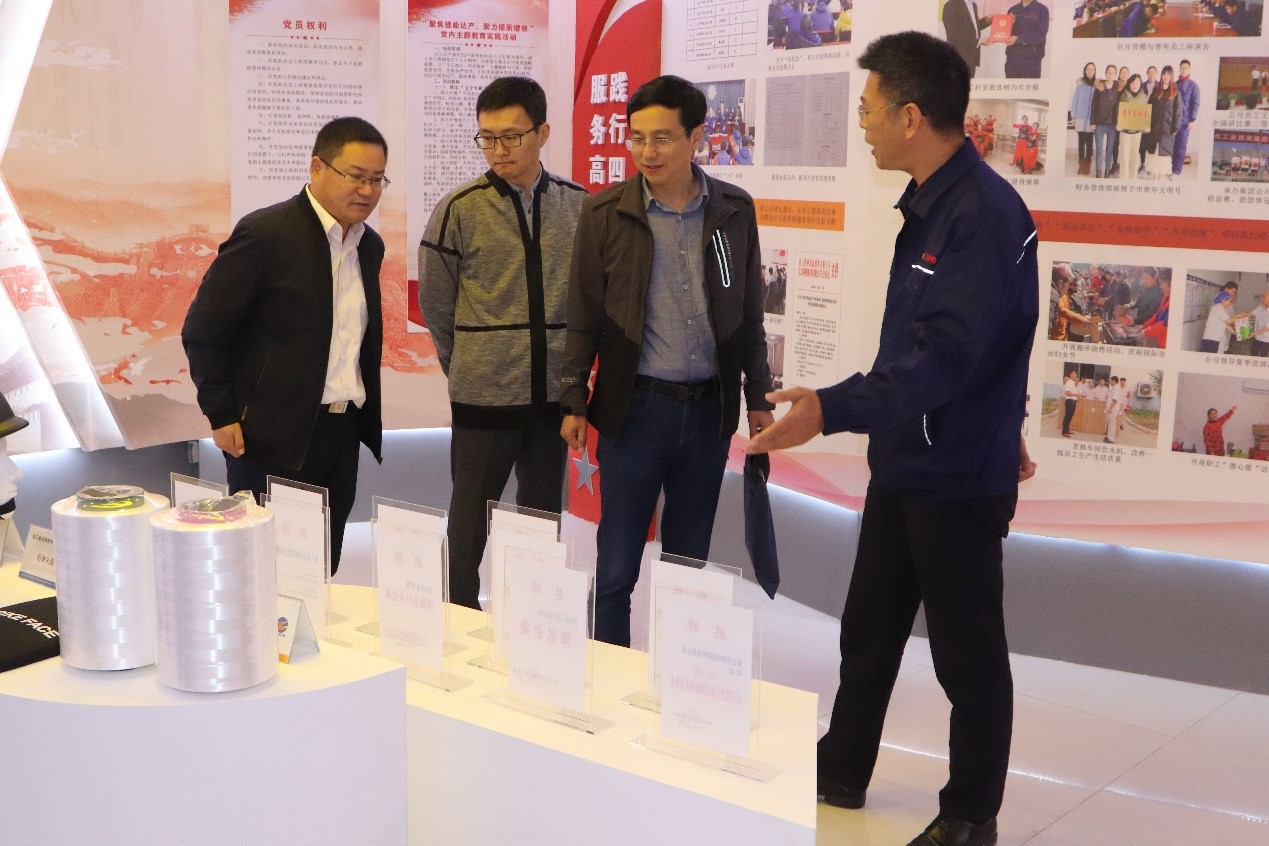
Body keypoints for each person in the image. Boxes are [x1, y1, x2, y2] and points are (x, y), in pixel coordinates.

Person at [749, 32, 1038, 846]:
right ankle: (840, 768)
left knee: (966, 657)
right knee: (868, 629)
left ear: (910, 117)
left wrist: (829, 409)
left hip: (957, 475)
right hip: (905, 461)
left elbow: (945, 358)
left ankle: (970, 816)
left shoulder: (982, 215)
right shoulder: (929, 201)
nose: (862, 123)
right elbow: (955, 346)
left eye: (869, 109)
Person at [559, 75, 775, 648]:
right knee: (616, 567)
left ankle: (679, 679)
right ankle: (609, 673)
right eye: (637, 138)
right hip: (636, 411)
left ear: (696, 137)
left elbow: (748, 313)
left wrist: (758, 396)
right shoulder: (606, 212)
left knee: (687, 567)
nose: (646, 152)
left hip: (708, 413)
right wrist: (573, 398)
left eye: (661, 138)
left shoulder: (733, 210)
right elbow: (582, 314)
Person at [182, 117, 387, 575]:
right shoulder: (266, 233)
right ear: (317, 167)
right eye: (356, 176)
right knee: (264, 571)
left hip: (341, 432)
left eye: (377, 180)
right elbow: (203, 331)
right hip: (270, 436)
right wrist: (221, 413)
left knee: (321, 569)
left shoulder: (367, 246)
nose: (367, 190)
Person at [419, 77, 586, 609]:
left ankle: (535, 620)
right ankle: (457, 618)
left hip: (552, 399)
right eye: (488, 138)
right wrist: (468, 363)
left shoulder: (579, 205)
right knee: (468, 522)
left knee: (541, 519)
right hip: (482, 396)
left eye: (511, 136)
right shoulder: (459, 208)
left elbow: (590, 301)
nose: (499, 150)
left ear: (543, 133)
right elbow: (435, 304)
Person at [1144, 65, 1182, 180]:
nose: (1166, 77)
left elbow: (1178, 112)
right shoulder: (1156, 90)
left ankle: (1160, 176)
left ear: (1171, 76)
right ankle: (1154, 175)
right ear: (1161, 76)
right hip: (1155, 128)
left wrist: (1175, 128)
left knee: (1163, 153)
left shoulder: (1175, 92)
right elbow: (1149, 108)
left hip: (1167, 130)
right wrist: (1146, 124)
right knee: (1154, 152)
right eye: (1164, 74)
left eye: (1168, 74)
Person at [942, 0, 989, 78]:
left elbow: (973, 28)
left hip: (972, 57)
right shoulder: (951, 5)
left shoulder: (973, 5)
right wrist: (979, 41)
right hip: (958, 59)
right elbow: (954, 35)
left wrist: (987, 21)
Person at [1003, 0, 1049, 79]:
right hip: (1012, 59)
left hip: (1031, 61)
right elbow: (1006, 33)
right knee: (1011, 87)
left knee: (1029, 87)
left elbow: (1040, 35)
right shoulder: (1013, 9)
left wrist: (1018, 38)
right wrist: (1010, 24)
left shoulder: (1042, 10)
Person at [1117, 74, 1148, 181]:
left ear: (1140, 84)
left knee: (1134, 156)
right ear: (1129, 84)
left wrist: (1146, 126)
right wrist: (1118, 123)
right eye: (1133, 83)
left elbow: (1145, 113)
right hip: (1125, 131)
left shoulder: (1143, 97)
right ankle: (1123, 178)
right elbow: (1118, 110)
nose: (1135, 85)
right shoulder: (1123, 95)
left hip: (1137, 132)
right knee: (1124, 156)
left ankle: (1133, 178)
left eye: (1137, 83)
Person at [1092, 64, 1120, 178]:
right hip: (1099, 123)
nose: (1110, 74)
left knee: (1109, 150)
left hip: (1113, 124)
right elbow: (1094, 105)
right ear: (1105, 73)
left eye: (1113, 72)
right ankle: (1098, 171)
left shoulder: (1118, 88)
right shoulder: (1099, 86)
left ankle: (1107, 171)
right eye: (1108, 72)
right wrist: (1092, 122)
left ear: (1115, 75)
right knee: (1099, 150)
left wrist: (1119, 122)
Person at [1173, 59, 1199, 179]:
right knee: (1172, 145)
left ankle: (1177, 171)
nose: (1183, 70)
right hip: (1173, 121)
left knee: (1181, 146)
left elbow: (1195, 103)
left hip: (1185, 122)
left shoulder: (1193, 85)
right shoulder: (1174, 84)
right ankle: (1170, 167)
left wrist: (1192, 120)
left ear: (1189, 70)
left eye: (1186, 68)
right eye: (1182, 68)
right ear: (1179, 69)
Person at [1071, 62, 1098, 176]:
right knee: (1081, 142)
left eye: (1092, 69)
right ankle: (1081, 166)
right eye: (1088, 69)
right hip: (1080, 118)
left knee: (1089, 143)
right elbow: (1075, 100)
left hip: (1091, 119)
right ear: (1085, 71)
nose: (1090, 71)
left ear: (1095, 71)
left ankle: (1087, 166)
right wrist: (1073, 117)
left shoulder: (1097, 85)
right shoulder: (1080, 84)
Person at [1140, 277, 1171, 347]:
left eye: (1162, 284)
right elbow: (1157, 315)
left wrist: (1146, 331)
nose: (1161, 287)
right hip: (1160, 339)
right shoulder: (1166, 296)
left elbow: (1165, 325)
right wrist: (1144, 325)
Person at [1105, 375, 1126, 443]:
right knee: (1110, 423)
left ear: (1114, 381)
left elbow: (1115, 400)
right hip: (1111, 409)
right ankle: (1109, 437)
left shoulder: (1117, 389)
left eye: (1111, 380)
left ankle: (1111, 439)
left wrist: (1110, 408)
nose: (1110, 382)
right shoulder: (1112, 388)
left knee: (1112, 424)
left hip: (1113, 409)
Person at [1061, 370, 1080, 436]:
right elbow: (1068, 393)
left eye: (1076, 374)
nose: (1076, 375)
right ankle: (1064, 432)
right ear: (1071, 375)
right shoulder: (1069, 382)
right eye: (1075, 374)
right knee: (1067, 417)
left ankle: (1067, 430)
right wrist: (1076, 395)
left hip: (1073, 402)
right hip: (1070, 402)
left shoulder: (1072, 383)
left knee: (1070, 417)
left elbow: (1073, 391)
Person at [1251, 290, 1269, 357]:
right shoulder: (1260, 307)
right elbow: (1250, 314)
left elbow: (1267, 328)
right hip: (1257, 337)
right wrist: (1240, 316)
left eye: (1264, 297)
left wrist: (1254, 333)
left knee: (1263, 356)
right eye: (1262, 297)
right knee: (1253, 354)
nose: (1262, 299)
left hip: (1266, 339)